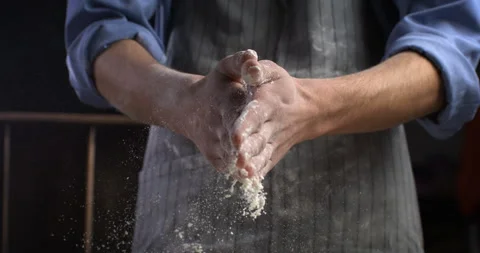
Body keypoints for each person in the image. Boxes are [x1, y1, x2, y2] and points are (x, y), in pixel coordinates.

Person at [65, 0, 480, 252]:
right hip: (189, 193)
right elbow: (102, 31)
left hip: (361, 209)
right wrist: (186, 103)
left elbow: (450, 47)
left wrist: (314, 106)